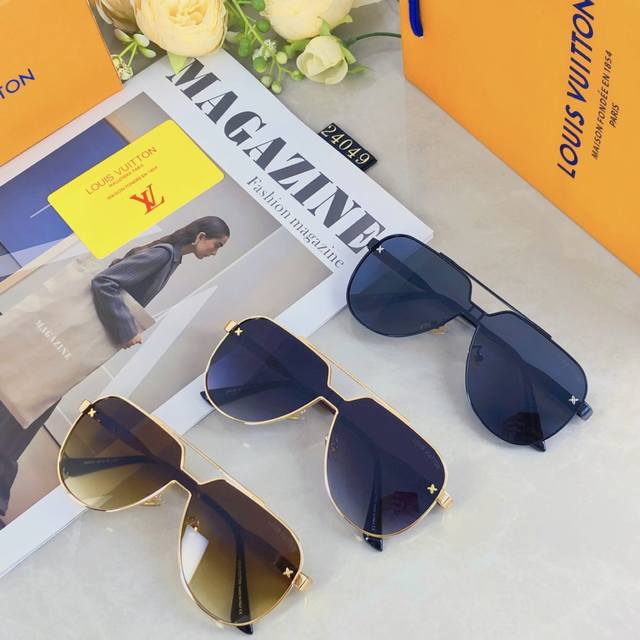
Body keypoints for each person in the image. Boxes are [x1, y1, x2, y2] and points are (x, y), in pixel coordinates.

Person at [0, 216, 230, 519]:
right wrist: (126, 330)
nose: (215, 252)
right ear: (201, 237)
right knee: (26, 414)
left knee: (21, 411)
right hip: (65, 350)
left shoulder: (168, 257)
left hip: (63, 347)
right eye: (217, 245)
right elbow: (106, 282)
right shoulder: (163, 255)